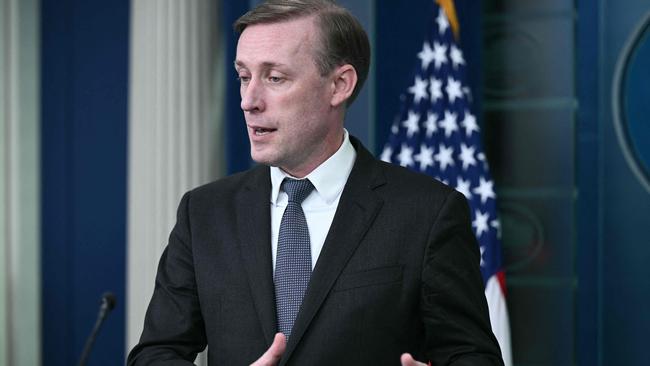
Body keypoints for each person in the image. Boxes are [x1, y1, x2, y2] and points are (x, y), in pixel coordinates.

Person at [127, 1, 503, 365]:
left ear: (339, 85)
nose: (249, 100)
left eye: (275, 78)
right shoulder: (204, 212)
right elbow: (155, 354)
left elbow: (472, 355)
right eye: (244, 77)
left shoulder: (428, 212)